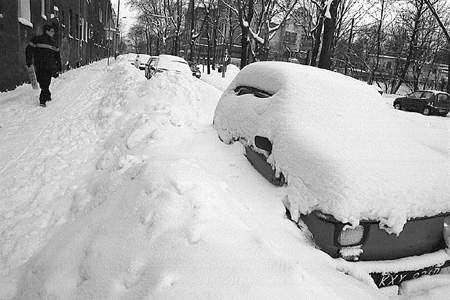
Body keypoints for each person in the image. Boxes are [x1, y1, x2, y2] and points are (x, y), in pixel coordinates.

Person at [25, 24, 62, 107]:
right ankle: (46, 95)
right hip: (46, 66)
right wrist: (59, 66)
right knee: (44, 82)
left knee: (44, 82)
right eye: (52, 31)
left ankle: (43, 99)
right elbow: (29, 49)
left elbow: (28, 50)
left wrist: (29, 60)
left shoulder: (50, 42)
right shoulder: (39, 40)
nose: (53, 33)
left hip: (41, 65)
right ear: (47, 31)